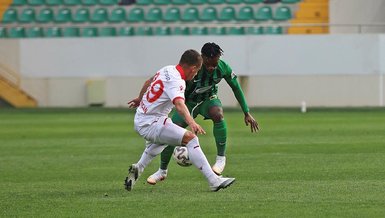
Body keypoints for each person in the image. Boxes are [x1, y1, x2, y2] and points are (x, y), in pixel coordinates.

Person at [147, 42, 259, 185]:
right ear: (202, 58)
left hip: (208, 100)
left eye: (215, 63)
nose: (212, 68)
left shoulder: (223, 67)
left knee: (217, 114)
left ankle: (220, 159)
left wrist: (246, 112)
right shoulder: (192, 69)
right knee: (172, 130)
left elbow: (236, 87)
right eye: (209, 64)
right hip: (188, 103)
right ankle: (162, 171)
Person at [125, 49, 235, 192]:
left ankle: (138, 168)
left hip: (143, 118)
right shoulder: (178, 81)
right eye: (196, 71)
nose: (195, 75)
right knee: (191, 139)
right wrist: (192, 122)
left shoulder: (167, 69)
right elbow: (179, 104)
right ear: (193, 68)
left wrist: (140, 99)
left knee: (161, 143)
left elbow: (148, 81)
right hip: (150, 123)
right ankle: (214, 181)